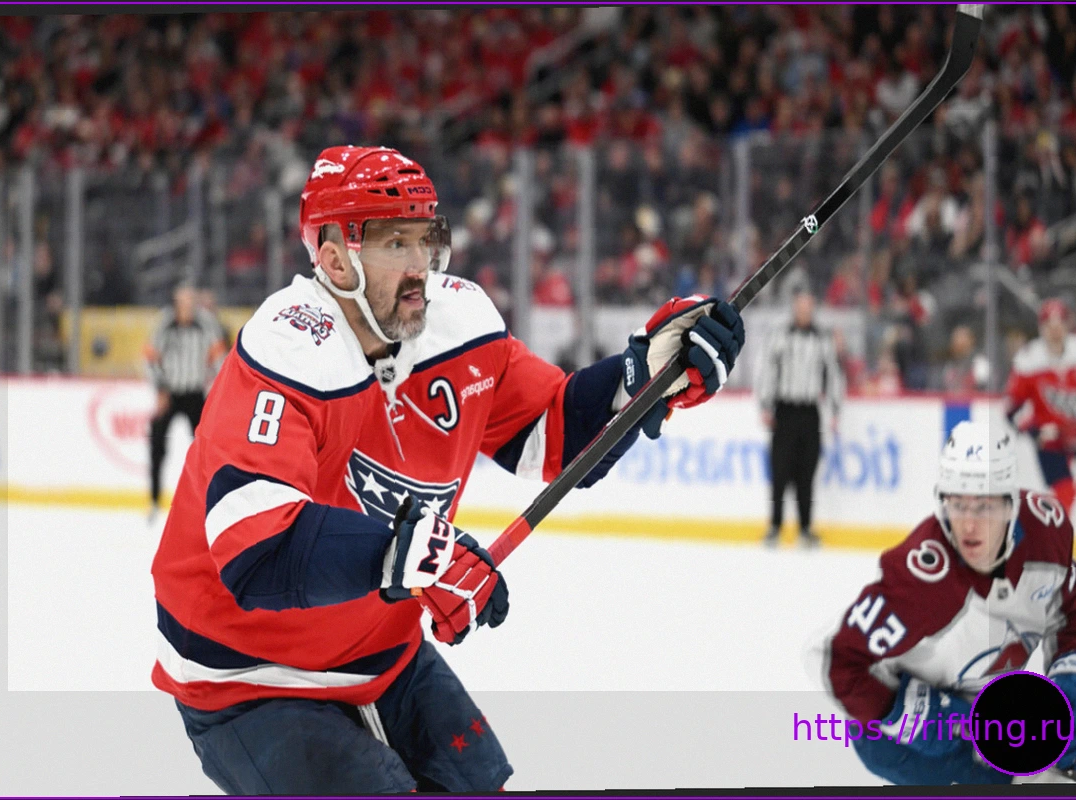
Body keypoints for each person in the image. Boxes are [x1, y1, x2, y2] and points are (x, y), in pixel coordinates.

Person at [149, 146, 746, 794]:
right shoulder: (289, 346)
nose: (419, 266)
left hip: (382, 654)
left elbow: (553, 434)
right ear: (334, 259)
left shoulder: (459, 325)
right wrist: (416, 555)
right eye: (394, 243)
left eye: (424, 237)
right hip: (246, 673)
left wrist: (643, 379)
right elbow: (256, 551)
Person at [821, 420, 1076, 785]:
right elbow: (840, 661)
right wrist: (920, 714)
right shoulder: (917, 580)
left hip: (991, 711)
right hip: (895, 740)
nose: (968, 524)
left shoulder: (1047, 533)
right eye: (957, 504)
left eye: (984, 507)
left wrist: (1075, 690)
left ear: (1010, 505)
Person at [756, 287, 844, 547]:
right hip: (784, 410)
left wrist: (835, 410)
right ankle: (775, 526)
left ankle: (805, 528)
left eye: (808, 308)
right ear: (795, 309)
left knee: (806, 472)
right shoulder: (780, 335)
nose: (805, 312)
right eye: (801, 308)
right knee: (780, 471)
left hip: (809, 411)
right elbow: (768, 370)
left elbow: (833, 374)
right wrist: (765, 405)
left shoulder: (822, 338)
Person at [144, 284, 227, 521]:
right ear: (176, 302)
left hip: (195, 393)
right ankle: (154, 499)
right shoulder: (165, 323)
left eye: (191, 301)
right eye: (183, 301)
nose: (187, 307)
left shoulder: (205, 323)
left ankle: (207, 498)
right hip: (170, 393)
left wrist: (217, 389)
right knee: (157, 443)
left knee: (205, 447)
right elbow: (150, 357)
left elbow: (219, 357)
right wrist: (160, 388)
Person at [1006, 298, 1076, 517]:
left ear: (1067, 325)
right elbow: (1011, 410)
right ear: (1041, 328)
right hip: (1050, 441)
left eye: (1059, 325)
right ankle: (1060, 536)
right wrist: (1034, 432)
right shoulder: (1029, 360)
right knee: (1064, 494)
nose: (1055, 332)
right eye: (1049, 326)